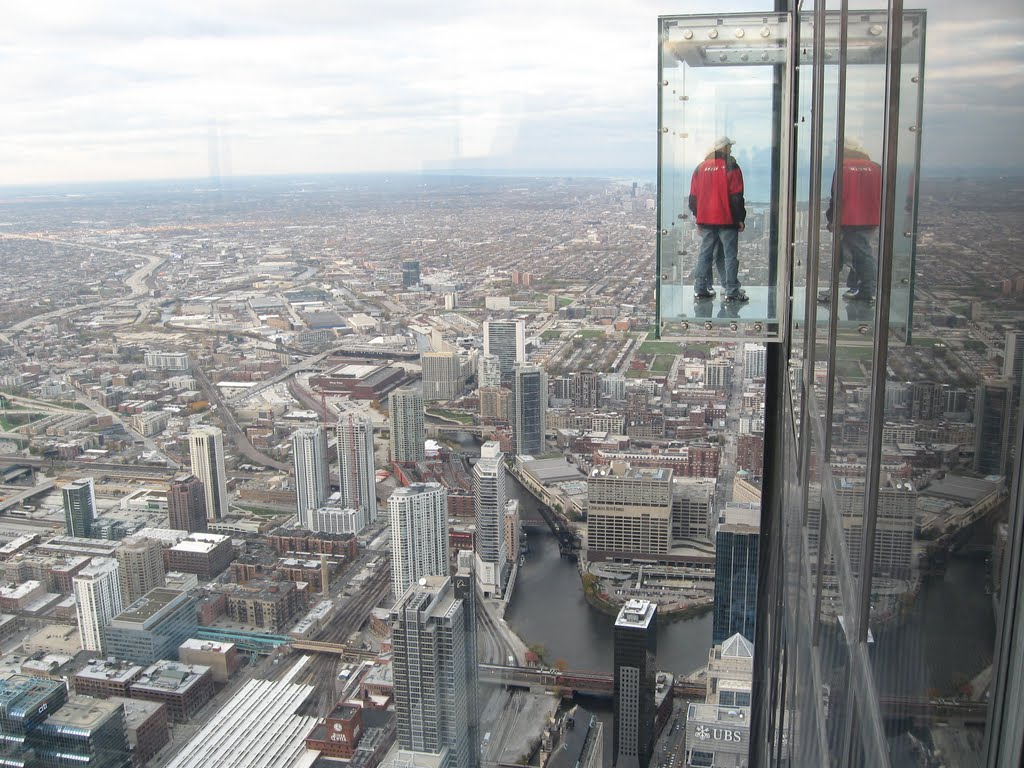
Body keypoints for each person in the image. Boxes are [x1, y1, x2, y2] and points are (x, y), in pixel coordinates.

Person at [818, 137, 882, 303]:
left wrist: (831, 219)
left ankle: (867, 290)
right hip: (870, 218)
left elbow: (837, 197)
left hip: (848, 218)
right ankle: (855, 287)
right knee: (857, 252)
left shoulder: (843, 167)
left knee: (858, 254)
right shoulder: (876, 167)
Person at [689, 136, 748, 302]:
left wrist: (698, 215)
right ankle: (731, 291)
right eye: (729, 146)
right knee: (729, 256)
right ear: (725, 148)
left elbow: (693, 197)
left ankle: (700, 289)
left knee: (705, 254)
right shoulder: (731, 166)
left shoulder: (700, 168)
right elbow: (737, 196)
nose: (731, 149)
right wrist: (740, 218)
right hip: (726, 219)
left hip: (706, 220)